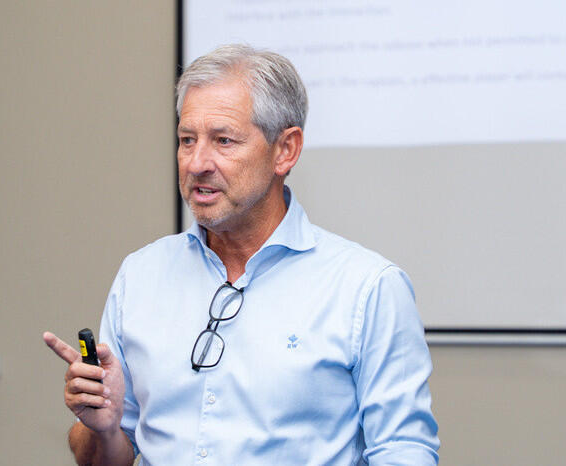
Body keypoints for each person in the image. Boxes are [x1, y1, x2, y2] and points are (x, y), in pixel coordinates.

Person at [44, 44, 439, 465]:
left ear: (285, 150)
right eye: (187, 140)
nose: (197, 163)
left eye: (223, 140)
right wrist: (101, 428)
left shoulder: (367, 287)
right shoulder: (140, 275)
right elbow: (105, 458)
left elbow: (403, 452)